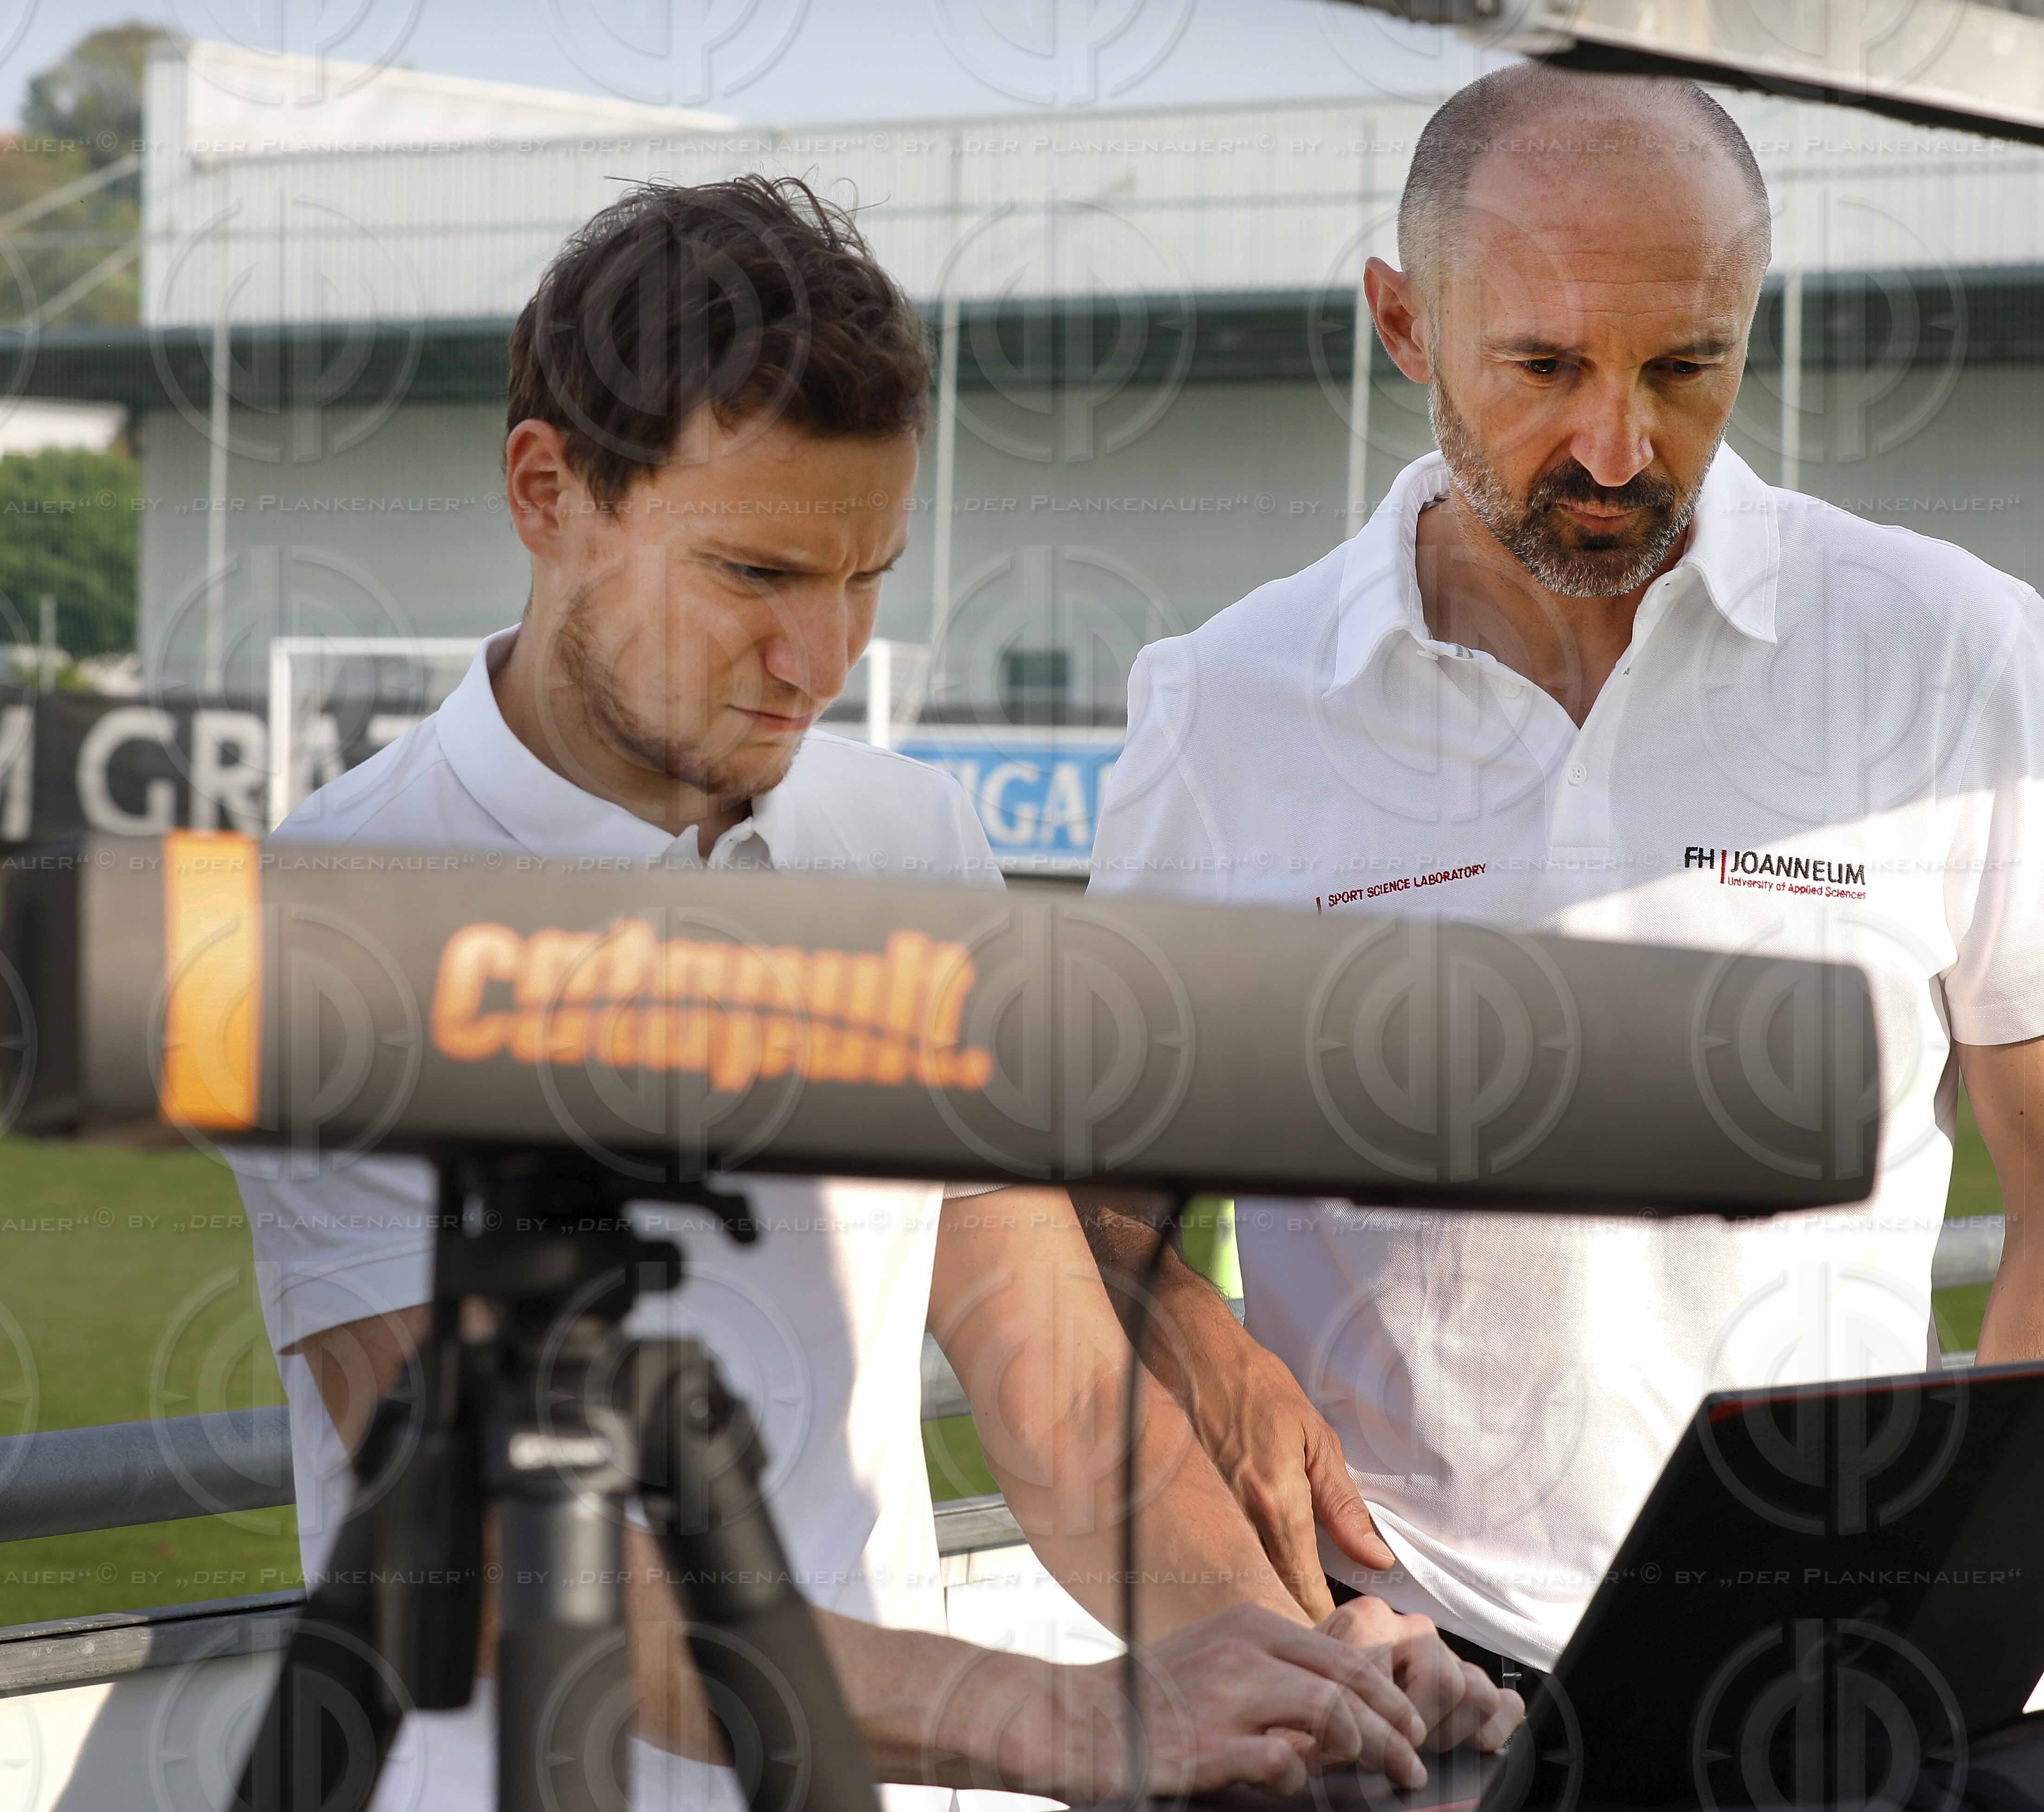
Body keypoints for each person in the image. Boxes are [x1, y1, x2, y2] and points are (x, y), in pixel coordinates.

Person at [231, 174, 1517, 1807]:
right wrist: (1068, 1722)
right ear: (546, 492)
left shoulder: (908, 840)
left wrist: (1315, 1679)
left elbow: (1058, 1390)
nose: (821, 659)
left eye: (865, 577)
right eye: (759, 574)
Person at [1081, 65, 2044, 1677]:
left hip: (1848, 1645)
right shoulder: (1224, 704)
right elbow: (1099, 1197)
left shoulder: (1951, 651)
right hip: (1415, 1659)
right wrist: (1201, 1347)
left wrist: (1964, 1598)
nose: (1614, 441)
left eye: (1685, 365)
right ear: (1402, 325)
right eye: (1542, 365)